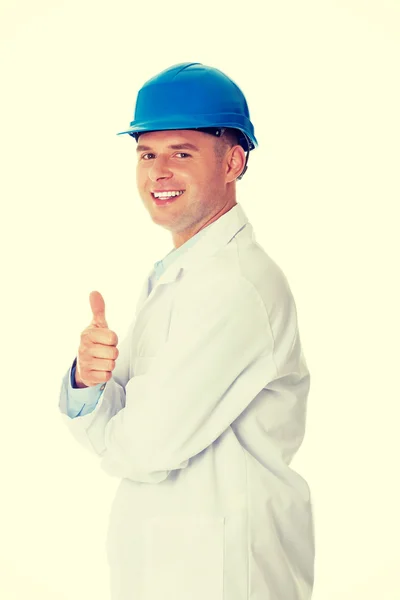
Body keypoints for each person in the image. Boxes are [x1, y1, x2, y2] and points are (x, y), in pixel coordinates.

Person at [58, 62, 315, 600]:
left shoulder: (233, 287)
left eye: (182, 152)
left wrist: (113, 418)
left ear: (233, 161)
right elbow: (116, 432)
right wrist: (89, 381)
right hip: (170, 565)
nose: (159, 172)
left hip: (223, 572)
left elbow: (142, 448)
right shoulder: (181, 275)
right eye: (147, 154)